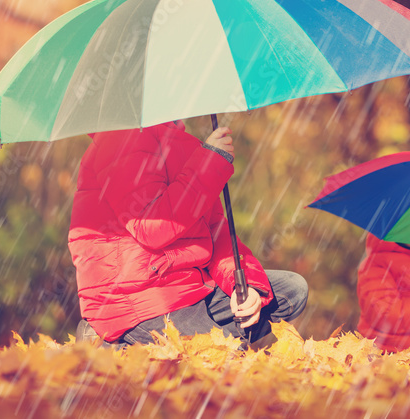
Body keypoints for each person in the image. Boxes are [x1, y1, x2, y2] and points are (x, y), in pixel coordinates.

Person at [69, 120, 308, 346]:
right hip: (138, 296)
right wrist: (208, 164)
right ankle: (112, 344)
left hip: (188, 287)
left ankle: (168, 345)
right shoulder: (120, 137)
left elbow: (214, 232)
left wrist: (244, 284)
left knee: (291, 291)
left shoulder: (179, 141)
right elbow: (151, 227)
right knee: (219, 358)